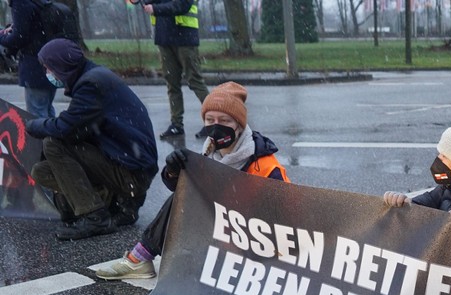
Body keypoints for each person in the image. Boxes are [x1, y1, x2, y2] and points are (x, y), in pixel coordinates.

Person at [96, 82, 290, 280]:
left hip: (254, 241)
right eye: (209, 119)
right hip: (222, 232)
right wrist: (173, 171)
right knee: (184, 193)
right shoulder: (207, 154)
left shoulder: (264, 165)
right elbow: (181, 191)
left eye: (224, 120)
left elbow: (287, 217)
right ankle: (140, 258)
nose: (216, 126)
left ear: (239, 126)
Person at [25, 38, 158, 240]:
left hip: (132, 175)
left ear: (61, 66)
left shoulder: (91, 84)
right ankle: (117, 204)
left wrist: (34, 125)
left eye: (48, 68)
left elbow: (64, 127)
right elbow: (78, 130)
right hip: (129, 169)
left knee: (53, 144)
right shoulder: (95, 76)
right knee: (42, 171)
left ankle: (95, 216)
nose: (47, 74)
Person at [141, 0, 209, 139]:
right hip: (164, 38)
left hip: (185, 38)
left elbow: (182, 5)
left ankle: (214, 124)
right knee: (172, 83)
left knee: (195, 81)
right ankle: (176, 125)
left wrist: (155, 8)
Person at [0, 0, 63, 117]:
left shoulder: (20, 3)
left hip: (34, 66)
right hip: (50, 62)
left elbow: (19, 37)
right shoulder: (38, 2)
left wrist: (2, 36)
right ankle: (50, 135)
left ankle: (42, 136)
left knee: (36, 114)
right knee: (47, 110)